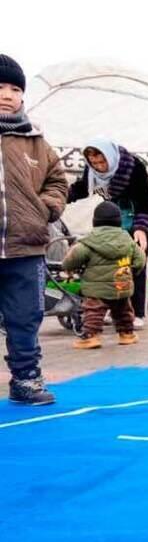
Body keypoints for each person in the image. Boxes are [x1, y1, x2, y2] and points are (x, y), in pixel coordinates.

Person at [0, 53, 68, 405]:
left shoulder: (36, 141)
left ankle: (26, 381)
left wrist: (47, 208)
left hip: (26, 245)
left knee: (24, 318)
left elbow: (58, 181)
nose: (7, 94)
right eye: (0, 86)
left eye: (14, 88)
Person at [67, 138, 148, 329]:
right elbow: (83, 188)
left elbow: (146, 199)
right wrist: (61, 196)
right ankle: (117, 308)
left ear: (110, 158)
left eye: (102, 162)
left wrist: (142, 229)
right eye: (94, 163)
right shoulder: (92, 170)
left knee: (138, 262)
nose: (99, 167)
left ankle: (138, 312)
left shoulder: (132, 167)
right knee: (113, 263)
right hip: (115, 219)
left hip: (144, 216)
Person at [62, 202, 145, 349]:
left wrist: (68, 267)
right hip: (122, 285)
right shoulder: (128, 241)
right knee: (123, 310)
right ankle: (127, 334)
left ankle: (91, 337)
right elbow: (140, 259)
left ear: (95, 222)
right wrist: (133, 271)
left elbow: (73, 257)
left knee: (94, 312)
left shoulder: (89, 242)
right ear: (119, 221)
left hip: (97, 289)